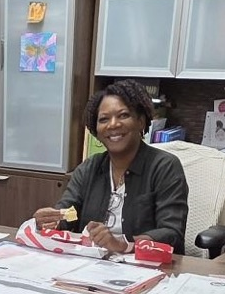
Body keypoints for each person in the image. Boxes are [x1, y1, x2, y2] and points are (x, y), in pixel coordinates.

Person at [33, 79, 189, 255]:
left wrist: (123, 244)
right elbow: (68, 214)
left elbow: (171, 233)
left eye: (123, 115)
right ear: (96, 131)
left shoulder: (165, 167)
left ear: (141, 121)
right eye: (104, 119)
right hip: (90, 264)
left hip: (147, 268)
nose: (113, 124)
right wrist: (51, 221)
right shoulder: (89, 168)